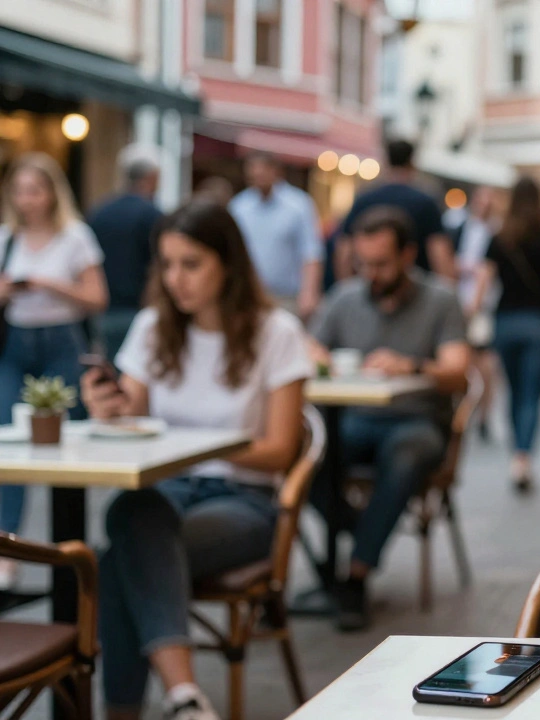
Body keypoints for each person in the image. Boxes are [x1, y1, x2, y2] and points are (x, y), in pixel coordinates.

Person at [82, 200, 312, 720]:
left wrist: (197, 444)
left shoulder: (276, 332)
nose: (175, 279)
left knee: (119, 552)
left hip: (244, 502)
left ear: (227, 264)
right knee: (133, 519)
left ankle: (137, 709)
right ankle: (185, 699)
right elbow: (133, 419)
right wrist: (109, 408)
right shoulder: (152, 326)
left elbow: (279, 451)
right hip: (167, 495)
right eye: (166, 264)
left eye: (191, 264)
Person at [309, 206, 470, 631]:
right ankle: (363, 529)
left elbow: (458, 372)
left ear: (407, 255)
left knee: (406, 455)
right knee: (304, 453)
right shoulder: (345, 297)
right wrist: (322, 358)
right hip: (355, 418)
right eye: (362, 263)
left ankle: (355, 576)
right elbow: (308, 346)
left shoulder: (440, 299)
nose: (371, 274)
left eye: (381, 264)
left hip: (417, 420)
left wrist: (412, 365)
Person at [0, 153, 108, 589]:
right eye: (19, 190)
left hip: (62, 342)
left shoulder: (75, 237)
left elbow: (97, 298)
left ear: (51, 193)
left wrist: (49, 285)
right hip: (16, 344)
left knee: (67, 448)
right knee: (8, 444)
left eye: (34, 190)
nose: (26, 199)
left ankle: (69, 554)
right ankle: (7, 550)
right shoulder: (7, 238)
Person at [471, 177, 540, 493]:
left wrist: (471, 313)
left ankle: (516, 453)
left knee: (513, 390)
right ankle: (523, 456)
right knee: (532, 393)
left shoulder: (499, 237)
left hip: (506, 321)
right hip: (539, 321)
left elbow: (484, 280)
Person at [335, 139, 456, 281]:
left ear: (386, 161)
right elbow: (440, 254)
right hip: (413, 288)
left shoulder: (365, 198)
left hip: (369, 284)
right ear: (411, 162)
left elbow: (345, 251)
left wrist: (347, 285)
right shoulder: (425, 203)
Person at [86, 144, 165, 358]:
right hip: (139, 311)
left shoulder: (99, 211)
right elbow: (158, 267)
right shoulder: (153, 215)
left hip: (103, 313)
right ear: (152, 177)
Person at [228, 152, 323, 320]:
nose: (258, 176)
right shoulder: (239, 207)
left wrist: (309, 292)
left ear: (276, 171)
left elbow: (311, 252)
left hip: (287, 297)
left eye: (262, 171)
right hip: (250, 296)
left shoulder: (299, 205)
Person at [453, 186, 502, 440]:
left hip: (484, 306)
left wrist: (477, 302)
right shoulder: (461, 227)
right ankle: (467, 412)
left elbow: (488, 272)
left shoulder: (496, 232)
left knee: (483, 360)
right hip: (459, 300)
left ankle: (484, 414)